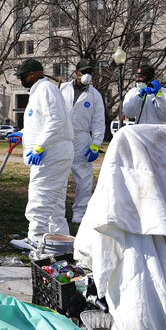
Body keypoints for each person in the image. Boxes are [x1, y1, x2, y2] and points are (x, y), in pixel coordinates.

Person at [10, 58, 74, 246]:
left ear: (31, 74)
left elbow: (56, 121)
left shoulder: (46, 90)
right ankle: (59, 240)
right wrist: (22, 134)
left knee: (41, 194)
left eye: (22, 76)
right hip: (53, 152)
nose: (21, 80)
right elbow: (41, 123)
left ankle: (36, 237)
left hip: (51, 153)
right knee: (54, 200)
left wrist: (39, 147)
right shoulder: (39, 92)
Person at [59, 59, 105, 224]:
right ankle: (57, 213)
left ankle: (80, 212)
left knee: (84, 178)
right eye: (82, 72)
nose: (85, 76)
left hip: (82, 139)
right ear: (76, 72)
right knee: (59, 175)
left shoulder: (95, 95)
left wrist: (96, 144)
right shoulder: (62, 89)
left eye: (88, 73)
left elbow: (99, 121)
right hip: (62, 137)